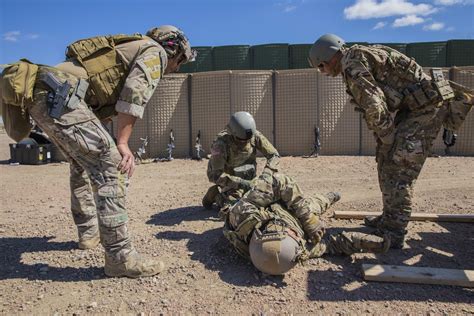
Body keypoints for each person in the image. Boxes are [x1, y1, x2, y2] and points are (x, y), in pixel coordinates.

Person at [1, 25, 195, 277]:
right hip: (60, 94)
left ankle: (89, 233)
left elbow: (96, 99)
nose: (177, 68)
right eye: (179, 61)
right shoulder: (155, 51)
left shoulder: (128, 47)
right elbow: (134, 93)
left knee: (82, 162)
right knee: (110, 162)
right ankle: (119, 257)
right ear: (174, 49)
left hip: (47, 92)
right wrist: (122, 144)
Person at [308, 34, 473, 248]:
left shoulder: (352, 65)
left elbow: (373, 104)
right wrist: (386, 142)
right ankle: (389, 218)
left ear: (327, 58)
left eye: (321, 67)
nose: (324, 72)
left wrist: (387, 137)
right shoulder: (356, 56)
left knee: (398, 169)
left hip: (426, 109)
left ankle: (394, 233)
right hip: (414, 108)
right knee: (386, 161)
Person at [223, 167, 390, 275]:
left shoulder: (243, 214)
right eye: (296, 235)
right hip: (286, 219)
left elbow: (279, 181)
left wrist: (307, 219)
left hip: (268, 202)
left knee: (308, 208)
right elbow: (331, 245)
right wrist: (361, 242)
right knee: (314, 206)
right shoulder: (294, 252)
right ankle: (326, 199)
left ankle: (328, 197)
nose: (297, 234)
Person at [203, 111, 280, 214]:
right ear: (232, 133)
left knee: (267, 199)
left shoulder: (254, 136)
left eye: (247, 140)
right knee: (235, 208)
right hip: (230, 181)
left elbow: (274, 155)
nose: (245, 142)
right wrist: (241, 183)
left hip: (250, 178)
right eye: (241, 140)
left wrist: (267, 173)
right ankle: (215, 195)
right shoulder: (220, 144)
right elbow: (215, 175)